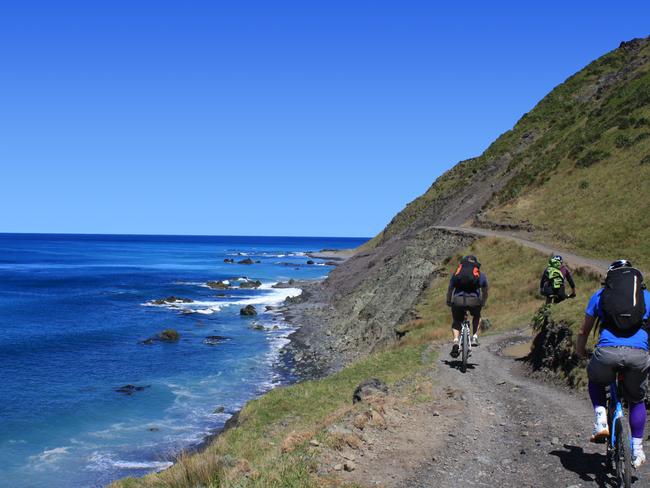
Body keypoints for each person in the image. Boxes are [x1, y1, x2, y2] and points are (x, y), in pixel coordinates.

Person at [576, 259, 650, 469]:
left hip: (607, 353)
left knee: (595, 379)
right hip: (638, 356)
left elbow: (584, 331)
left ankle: (601, 418)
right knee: (637, 399)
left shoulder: (599, 296)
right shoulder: (646, 297)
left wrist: (580, 352)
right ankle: (637, 448)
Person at [446, 255, 488, 356]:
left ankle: (456, 341)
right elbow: (485, 290)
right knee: (477, 315)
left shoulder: (457, 274)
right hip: (474, 301)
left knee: (456, 321)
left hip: (458, 301)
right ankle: (474, 337)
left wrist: (448, 301)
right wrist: (483, 301)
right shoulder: (480, 275)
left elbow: (450, 288)